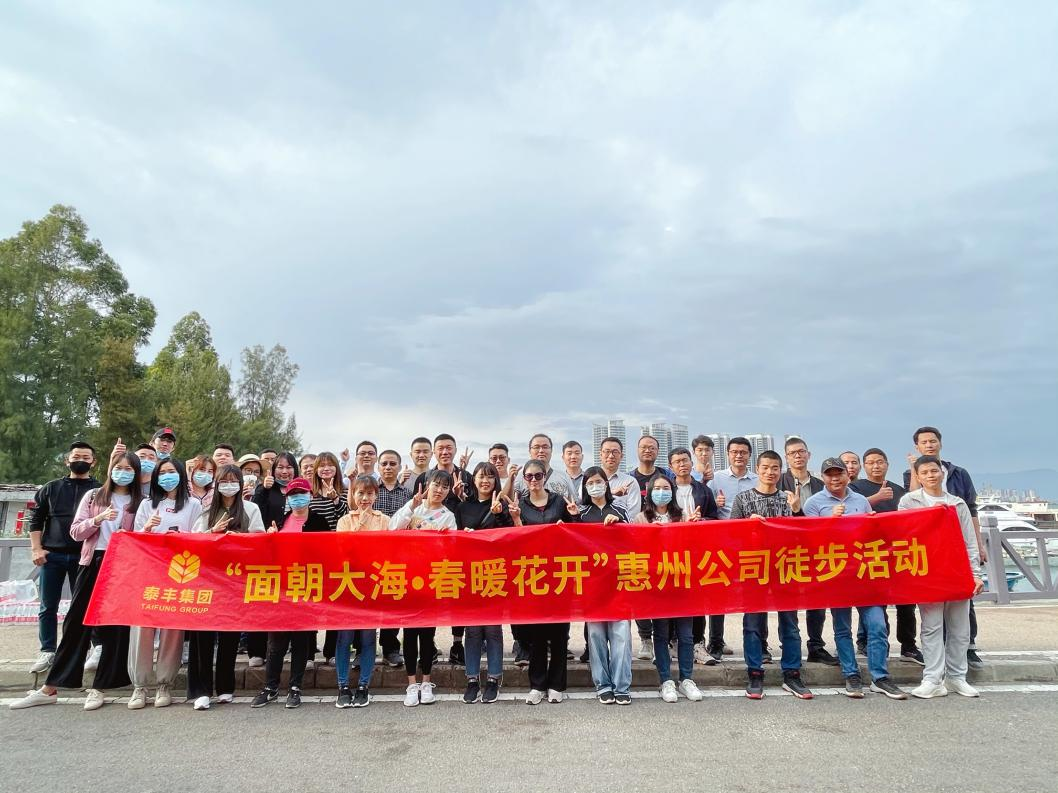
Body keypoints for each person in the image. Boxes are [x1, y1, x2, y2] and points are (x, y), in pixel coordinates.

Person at [10, 452, 140, 711]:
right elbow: (76, 531)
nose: (123, 473)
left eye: (129, 469)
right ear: (110, 469)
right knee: (77, 622)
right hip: (92, 562)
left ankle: (100, 688)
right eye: (119, 467)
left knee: (115, 627)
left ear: (136, 473)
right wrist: (97, 520)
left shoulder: (140, 502)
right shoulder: (94, 496)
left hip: (123, 566)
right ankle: (51, 687)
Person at [802, 457, 895, 696]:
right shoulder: (813, 503)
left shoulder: (861, 501)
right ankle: (851, 674)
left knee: (877, 625)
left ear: (847, 475)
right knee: (842, 628)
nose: (835, 478)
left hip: (864, 572)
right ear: (822, 477)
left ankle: (880, 676)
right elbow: (809, 541)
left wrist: (872, 524)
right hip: (836, 574)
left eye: (839, 473)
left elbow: (872, 535)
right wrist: (830, 521)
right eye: (830, 474)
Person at [729, 451, 813, 700]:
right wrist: (747, 525)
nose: (770, 472)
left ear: (780, 470)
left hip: (784, 568)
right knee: (753, 624)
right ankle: (755, 672)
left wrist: (797, 511)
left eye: (775, 468)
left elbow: (803, 535)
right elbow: (731, 535)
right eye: (765, 467)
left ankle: (792, 673)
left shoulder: (789, 499)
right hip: (754, 569)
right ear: (757, 469)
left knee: (790, 623)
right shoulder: (743, 499)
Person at [899, 455, 984, 698]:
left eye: (934, 471)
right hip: (927, 572)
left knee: (959, 628)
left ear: (942, 473)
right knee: (931, 626)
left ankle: (957, 677)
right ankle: (933, 678)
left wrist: (975, 575)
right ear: (918, 476)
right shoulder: (909, 502)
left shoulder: (957, 503)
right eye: (925, 472)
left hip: (957, 572)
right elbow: (903, 534)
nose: (931, 476)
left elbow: (969, 542)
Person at [188, 465, 264, 710]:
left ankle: (225, 687)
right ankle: (202, 690)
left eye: (233, 480)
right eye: (224, 481)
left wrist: (238, 538)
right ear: (216, 483)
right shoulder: (206, 511)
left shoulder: (251, 509)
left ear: (241, 484)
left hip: (235, 581)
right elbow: (193, 542)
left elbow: (260, 540)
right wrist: (214, 532)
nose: (229, 485)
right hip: (208, 580)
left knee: (229, 635)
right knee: (204, 636)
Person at [130, 458, 202, 708]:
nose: (167, 477)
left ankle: (164, 683)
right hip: (150, 571)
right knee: (143, 627)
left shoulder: (193, 505)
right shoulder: (147, 504)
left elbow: (199, 537)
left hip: (179, 572)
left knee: (172, 629)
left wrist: (181, 537)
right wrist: (147, 529)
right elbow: (135, 540)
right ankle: (140, 685)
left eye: (172, 472)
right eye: (162, 473)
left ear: (181, 475)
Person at [251, 477, 329, 709]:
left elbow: (327, 554)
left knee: (301, 640)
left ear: (310, 496)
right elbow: (268, 555)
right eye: (293, 495)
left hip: (307, 586)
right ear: (287, 498)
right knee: (276, 642)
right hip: (281, 588)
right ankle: (270, 687)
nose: (298, 498)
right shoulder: (280, 521)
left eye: (302, 493)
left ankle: (295, 687)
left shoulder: (319, 521)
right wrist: (270, 540)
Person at [27, 441, 101, 674]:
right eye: (76, 456)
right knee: (48, 605)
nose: (80, 460)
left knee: (86, 604)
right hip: (53, 555)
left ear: (93, 462)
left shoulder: (99, 490)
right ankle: (47, 650)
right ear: (67, 460)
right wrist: (36, 549)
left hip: (85, 556)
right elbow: (36, 521)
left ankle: (91, 647)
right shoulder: (51, 488)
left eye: (86, 457)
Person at [512, 458, 580, 704]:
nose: (533, 480)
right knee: (537, 635)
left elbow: (576, 534)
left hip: (559, 575)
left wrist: (572, 518)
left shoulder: (559, 502)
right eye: (529, 476)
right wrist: (516, 520)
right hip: (533, 575)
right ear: (524, 479)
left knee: (560, 634)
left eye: (538, 476)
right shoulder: (520, 505)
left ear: (545, 477)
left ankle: (556, 685)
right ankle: (537, 685)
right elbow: (514, 540)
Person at [633, 472, 705, 704]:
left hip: (681, 583)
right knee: (661, 634)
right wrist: (648, 535)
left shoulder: (681, 515)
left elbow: (693, 546)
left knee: (686, 635)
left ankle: (687, 679)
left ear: (672, 492)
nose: (661, 492)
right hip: (657, 586)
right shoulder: (640, 518)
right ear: (649, 493)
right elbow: (633, 549)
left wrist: (693, 526)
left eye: (666, 488)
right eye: (657, 488)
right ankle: (665, 680)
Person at [391, 469, 458, 706]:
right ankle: (411, 684)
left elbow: (453, 549)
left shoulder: (448, 516)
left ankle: (427, 682)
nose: (439, 490)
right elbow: (392, 529)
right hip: (409, 579)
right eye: (436, 485)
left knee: (427, 635)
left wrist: (444, 540)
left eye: (444, 487)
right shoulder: (413, 508)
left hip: (432, 581)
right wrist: (411, 506)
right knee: (409, 634)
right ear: (427, 484)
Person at [850, 448, 919, 663]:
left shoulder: (897, 489)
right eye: (871, 462)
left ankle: (908, 645)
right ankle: (879, 645)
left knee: (906, 602)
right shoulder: (856, 488)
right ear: (864, 466)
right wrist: (877, 498)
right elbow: (851, 509)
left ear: (887, 464)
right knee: (876, 603)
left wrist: (913, 468)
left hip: (898, 552)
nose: (876, 466)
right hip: (871, 553)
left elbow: (911, 512)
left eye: (880, 462)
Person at [456, 462, 513, 704]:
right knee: (472, 631)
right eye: (481, 476)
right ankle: (472, 679)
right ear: (474, 479)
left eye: (490, 477)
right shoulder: (463, 507)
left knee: (492, 630)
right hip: (469, 574)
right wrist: (464, 536)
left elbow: (510, 537)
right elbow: (453, 537)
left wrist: (499, 514)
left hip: (493, 574)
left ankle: (493, 679)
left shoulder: (502, 506)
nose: (485, 481)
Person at [578, 467, 633, 705]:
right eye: (590, 483)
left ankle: (622, 686)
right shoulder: (580, 514)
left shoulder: (620, 510)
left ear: (606, 484)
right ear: (585, 487)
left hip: (619, 584)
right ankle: (603, 684)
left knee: (622, 637)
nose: (595, 486)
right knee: (596, 637)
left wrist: (619, 524)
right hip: (593, 586)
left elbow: (635, 540)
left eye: (599, 481)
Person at [779, 437, 836, 666]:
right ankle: (789, 645)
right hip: (786, 550)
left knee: (817, 601)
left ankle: (816, 646)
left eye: (801, 451)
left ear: (808, 455)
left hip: (816, 549)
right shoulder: (778, 481)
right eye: (792, 453)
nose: (797, 456)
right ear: (786, 457)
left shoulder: (821, 485)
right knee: (788, 602)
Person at [333, 475, 388, 708]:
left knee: (368, 637)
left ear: (376, 495)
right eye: (360, 493)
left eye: (369, 493)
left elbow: (385, 551)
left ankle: (364, 685)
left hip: (372, 585)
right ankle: (343, 686)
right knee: (344, 637)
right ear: (353, 495)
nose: (365, 498)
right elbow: (344, 550)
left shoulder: (384, 520)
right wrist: (361, 524)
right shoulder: (344, 521)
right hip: (348, 585)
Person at [597, 436, 654, 661]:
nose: (610, 455)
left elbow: (632, 514)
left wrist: (615, 521)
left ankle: (645, 638)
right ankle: (594, 646)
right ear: (600, 454)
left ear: (621, 455)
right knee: (597, 594)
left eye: (615, 452)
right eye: (606, 451)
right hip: (596, 548)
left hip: (624, 545)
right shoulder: (592, 479)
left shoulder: (630, 481)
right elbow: (585, 508)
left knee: (633, 590)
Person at [704, 437, 758, 663]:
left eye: (743, 452)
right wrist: (714, 505)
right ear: (727, 454)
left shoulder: (757, 479)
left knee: (753, 595)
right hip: (722, 543)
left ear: (749, 455)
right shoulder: (716, 479)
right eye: (734, 452)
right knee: (719, 594)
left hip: (750, 545)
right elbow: (706, 507)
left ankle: (757, 643)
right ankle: (716, 642)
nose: (739, 456)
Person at [373, 449, 410, 668]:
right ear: (378, 466)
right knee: (368, 602)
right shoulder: (370, 489)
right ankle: (364, 650)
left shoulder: (407, 494)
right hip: (371, 556)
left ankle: (390, 649)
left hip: (398, 557)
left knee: (393, 603)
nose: (388, 467)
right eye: (384, 463)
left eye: (392, 463)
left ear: (399, 466)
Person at [510, 433, 578, 505]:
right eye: (536, 447)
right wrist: (510, 480)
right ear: (529, 451)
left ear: (551, 450)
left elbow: (574, 502)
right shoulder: (520, 476)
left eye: (545, 447)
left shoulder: (563, 476)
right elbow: (508, 500)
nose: (541, 450)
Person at [630, 435, 673, 505]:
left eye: (652, 448)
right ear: (637, 450)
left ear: (658, 451)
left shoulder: (668, 475)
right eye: (643, 447)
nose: (647, 451)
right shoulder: (629, 478)